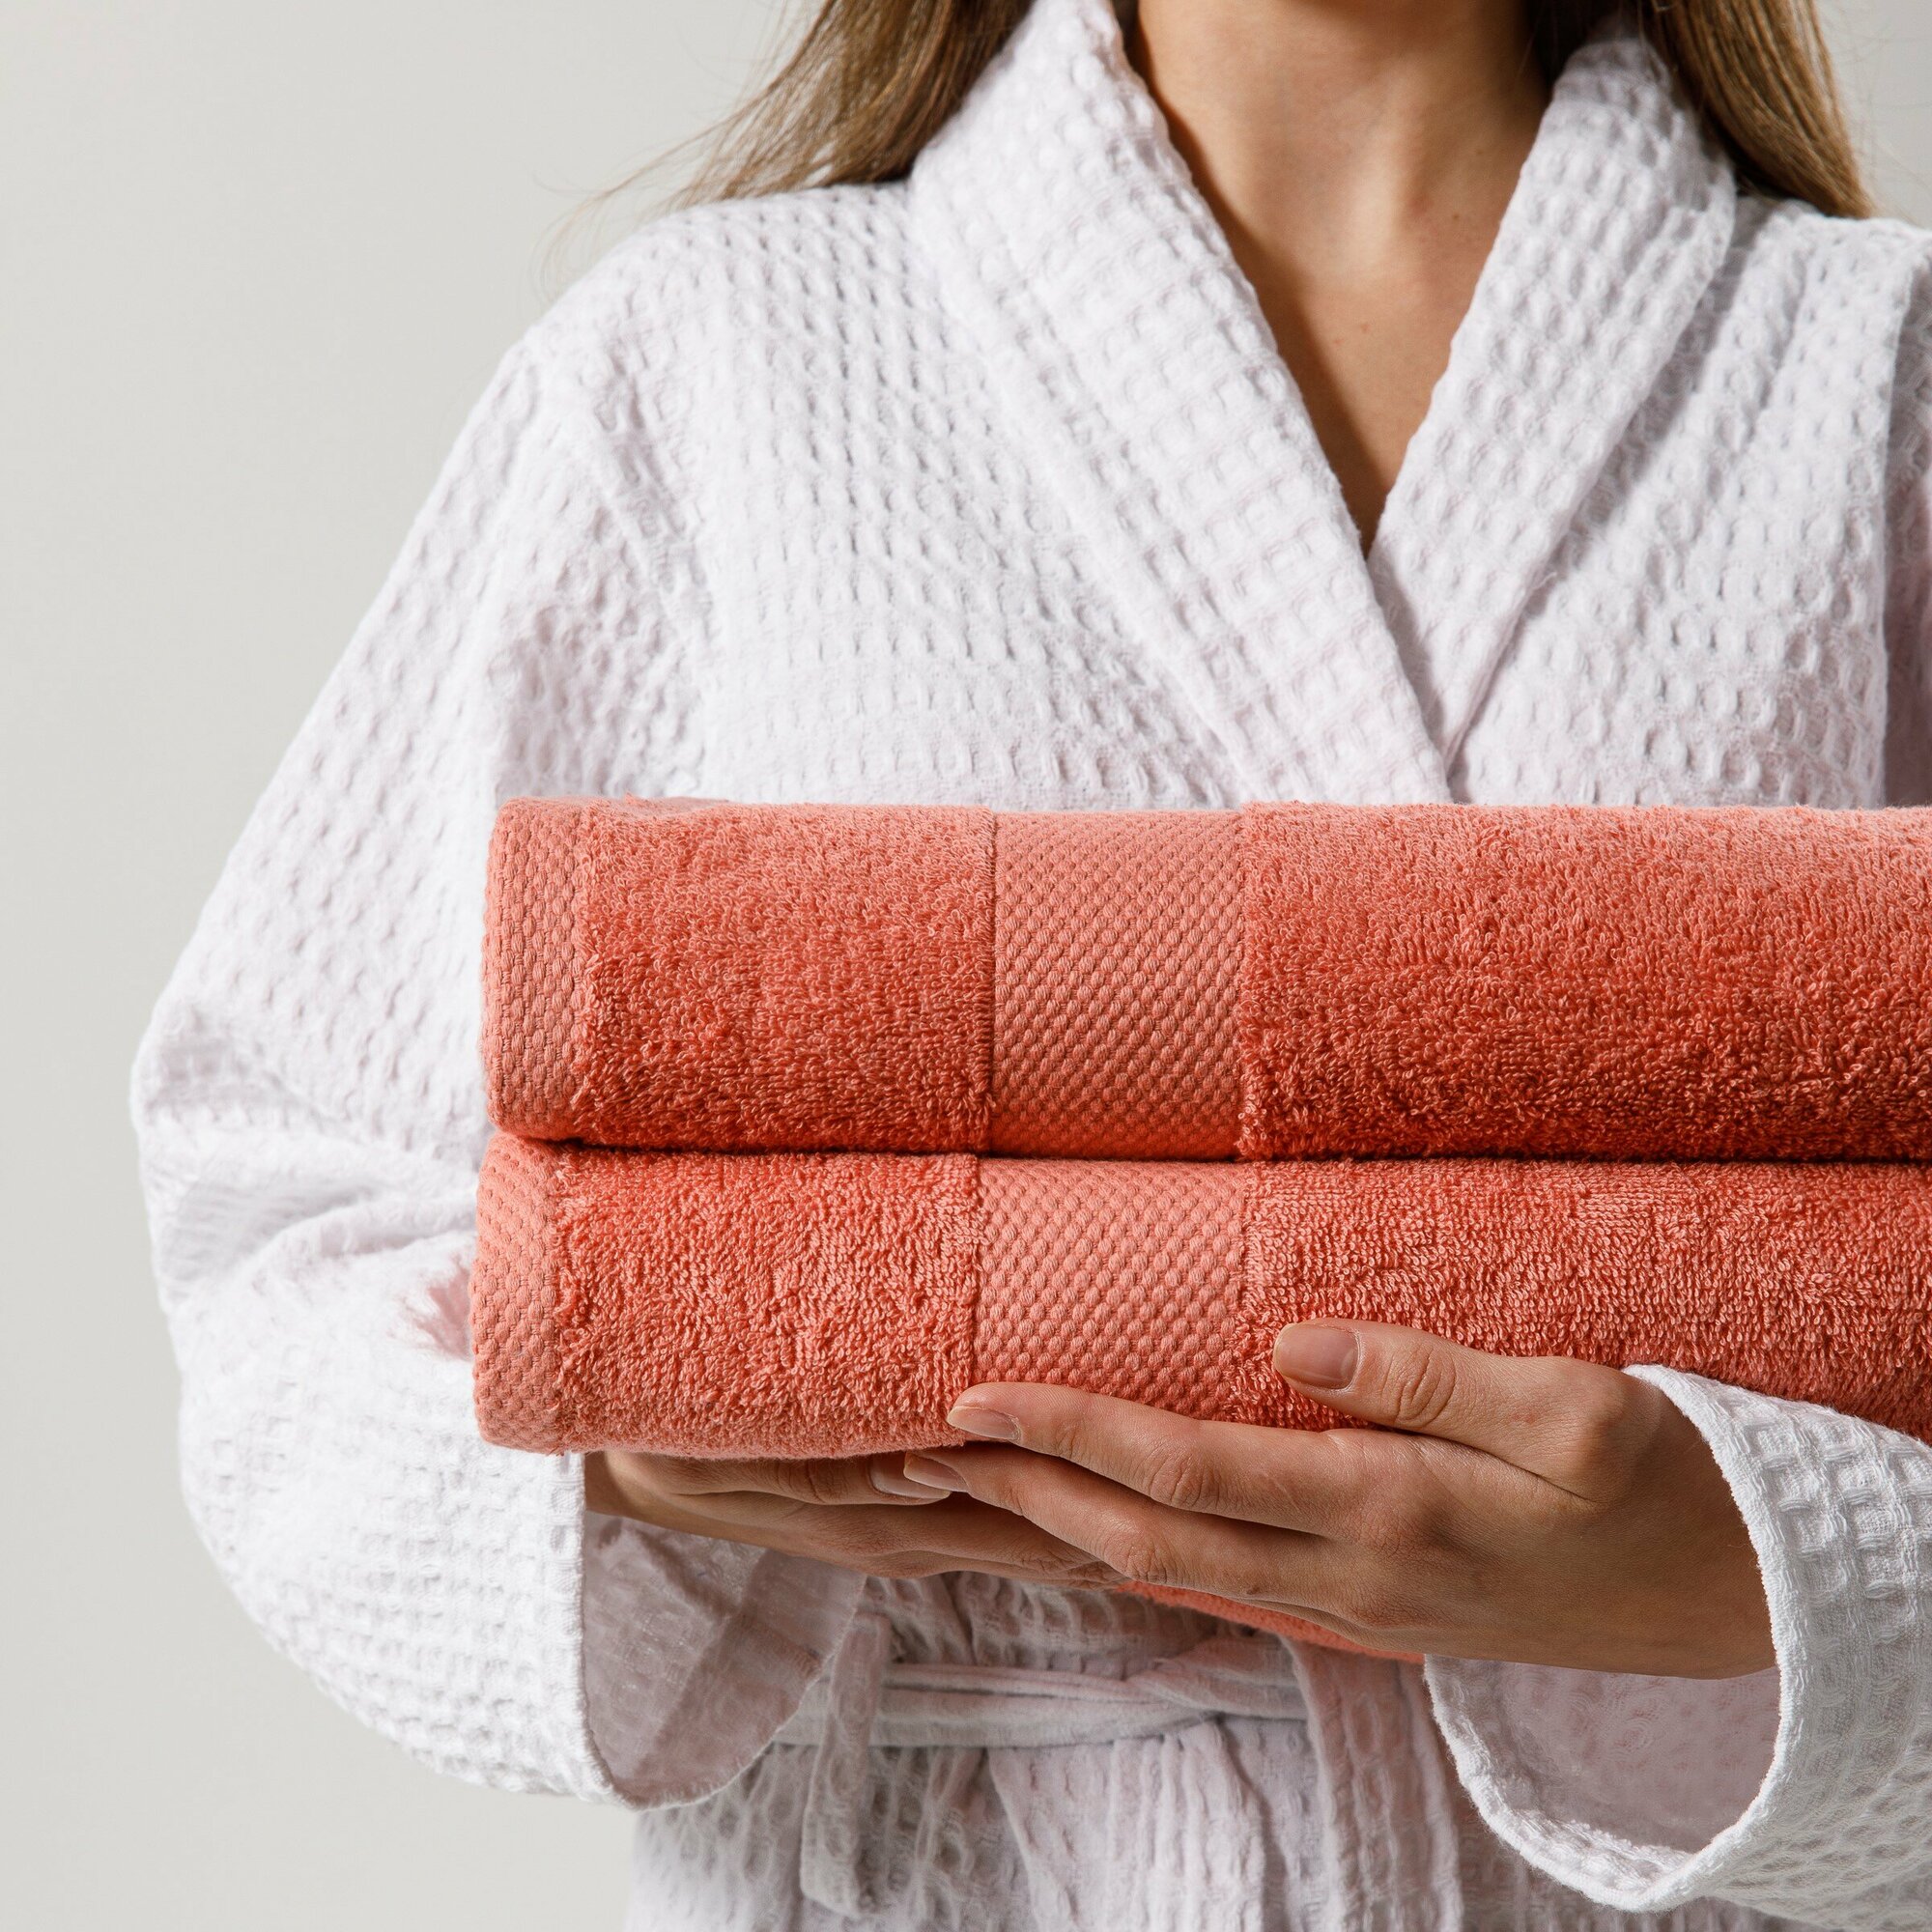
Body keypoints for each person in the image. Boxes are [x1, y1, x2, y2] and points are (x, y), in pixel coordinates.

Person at [131, 0, 1932, 1924]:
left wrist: (1779, 1571)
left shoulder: (1868, 365)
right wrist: (619, 1454)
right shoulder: (718, 352)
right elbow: (287, 1210)